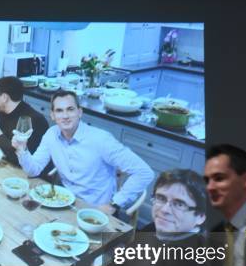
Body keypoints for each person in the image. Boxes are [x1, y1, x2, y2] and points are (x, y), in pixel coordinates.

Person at [12, 90, 154, 214]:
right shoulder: (51, 134)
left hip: (97, 210)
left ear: (80, 112)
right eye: (59, 111)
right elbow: (33, 170)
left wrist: (114, 204)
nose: (65, 115)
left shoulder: (101, 140)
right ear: (53, 115)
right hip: (64, 204)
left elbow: (144, 172)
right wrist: (22, 149)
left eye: (70, 109)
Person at [0, 76, 49, 165]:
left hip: (28, 174)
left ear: (4, 97)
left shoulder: (32, 120)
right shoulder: (1, 110)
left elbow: (17, 158)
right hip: (5, 164)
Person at [142, 168, 207, 239]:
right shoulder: (153, 227)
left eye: (179, 204)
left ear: (200, 217)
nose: (164, 210)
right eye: (161, 198)